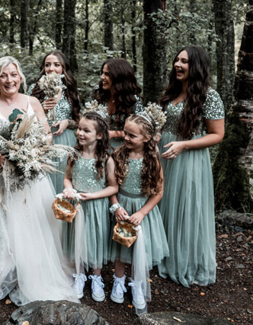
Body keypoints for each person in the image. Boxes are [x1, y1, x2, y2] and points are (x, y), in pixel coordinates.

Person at [0, 56, 78, 311]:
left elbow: (46, 134)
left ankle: (29, 275)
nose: (9, 80)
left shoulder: (32, 102)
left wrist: (32, 154)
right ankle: (2, 276)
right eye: (3, 75)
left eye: (13, 74)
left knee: (28, 224)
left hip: (28, 175)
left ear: (21, 77)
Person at [158, 46, 225, 287]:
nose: (177, 64)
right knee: (164, 204)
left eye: (184, 61)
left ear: (195, 66)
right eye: (176, 60)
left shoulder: (210, 96)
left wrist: (184, 145)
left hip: (189, 158)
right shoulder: (171, 93)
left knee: (184, 208)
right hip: (164, 154)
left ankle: (184, 262)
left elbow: (217, 135)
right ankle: (161, 255)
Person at [110, 113, 169, 311]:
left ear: (146, 138)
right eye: (125, 133)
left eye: (132, 135)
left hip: (142, 211)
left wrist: (142, 213)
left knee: (138, 251)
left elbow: (159, 191)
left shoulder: (152, 159)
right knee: (120, 247)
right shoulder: (118, 155)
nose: (126, 137)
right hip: (123, 207)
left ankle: (136, 285)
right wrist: (116, 205)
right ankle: (118, 281)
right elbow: (110, 186)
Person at [61, 112, 117, 302]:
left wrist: (93, 195)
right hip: (77, 206)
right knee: (77, 240)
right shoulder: (73, 154)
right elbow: (67, 178)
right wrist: (69, 190)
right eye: (79, 129)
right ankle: (79, 275)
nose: (80, 133)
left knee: (95, 240)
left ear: (99, 135)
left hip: (96, 207)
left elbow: (113, 187)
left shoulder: (106, 159)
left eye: (86, 130)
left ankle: (96, 276)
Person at [28, 50, 81, 194]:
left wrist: (67, 123)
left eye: (56, 65)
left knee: (63, 177)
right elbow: (25, 121)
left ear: (63, 68)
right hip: (42, 140)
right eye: (47, 65)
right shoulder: (34, 90)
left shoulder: (70, 91)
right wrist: (41, 110)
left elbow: (79, 121)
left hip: (66, 141)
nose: (51, 68)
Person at [94, 58, 143, 149]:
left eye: (107, 74)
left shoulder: (133, 100)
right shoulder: (100, 97)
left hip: (123, 149)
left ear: (118, 77)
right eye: (102, 73)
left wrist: (114, 134)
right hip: (99, 147)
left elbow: (140, 131)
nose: (102, 77)